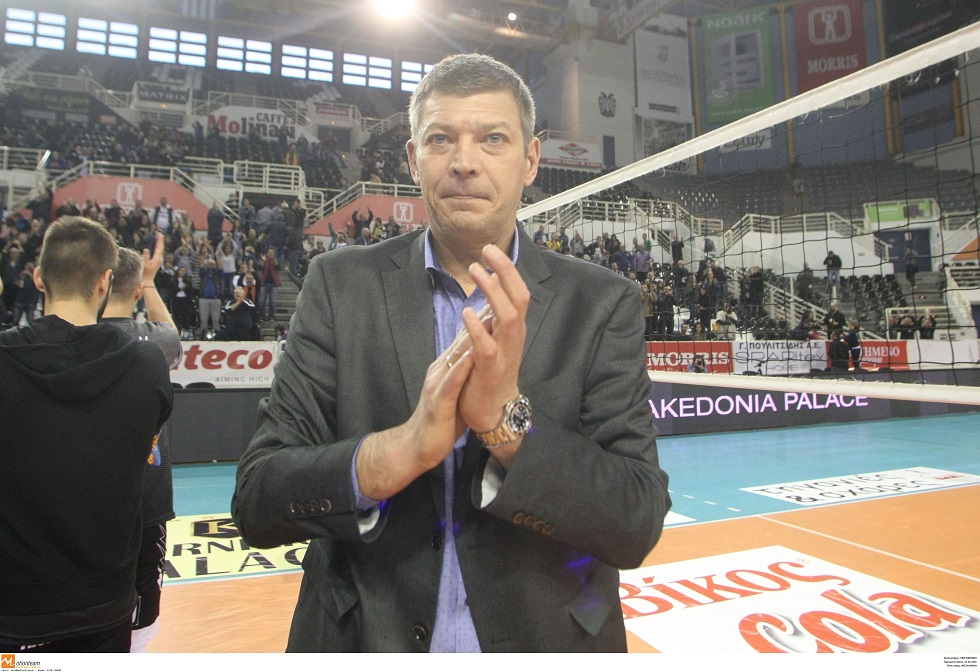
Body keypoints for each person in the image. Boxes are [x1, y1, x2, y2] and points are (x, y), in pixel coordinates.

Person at [232, 53, 670, 653]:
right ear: (414, 159)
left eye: (493, 139)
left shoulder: (601, 303)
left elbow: (636, 521)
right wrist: (402, 449)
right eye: (441, 139)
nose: (464, 162)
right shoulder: (339, 285)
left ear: (531, 160)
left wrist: (506, 424)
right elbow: (258, 497)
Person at [0, 217, 173, 652]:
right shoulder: (146, 366)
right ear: (104, 282)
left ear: (38, 278)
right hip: (106, 608)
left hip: (15, 617)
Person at [100, 237, 181, 652]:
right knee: (140, 624)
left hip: (90, 499)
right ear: (135, 291)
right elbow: (172, 336)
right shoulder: (152, 344)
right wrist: (149, 282)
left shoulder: (80, 337)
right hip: (146, 499)